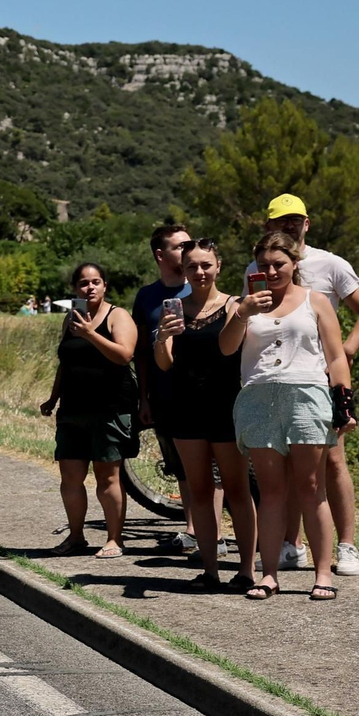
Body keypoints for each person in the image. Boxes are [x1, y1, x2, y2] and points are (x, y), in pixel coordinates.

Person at [245, 194, 359, 577]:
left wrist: (346, 351)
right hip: (273, 381)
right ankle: (292, 545)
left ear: (307, 223)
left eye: (295, 219)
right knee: (287, 468)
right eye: (280, 220)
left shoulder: (330, 263)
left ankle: (347, 546)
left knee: (333, 463)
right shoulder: (257, 267)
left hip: (320, 380)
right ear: (269, 227)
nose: (288, 225)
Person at [221, 231, 356, 600]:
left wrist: (344, 404)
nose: (270, 271)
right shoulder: (244, 305)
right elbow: (227, 348)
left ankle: (323, 574)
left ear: (295, 263)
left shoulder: (316, 301)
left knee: (311, 487)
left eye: (278, 264)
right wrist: (243, 313)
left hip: (307, 396)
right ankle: (269, 575)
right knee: (271, 491)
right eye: (263, 264)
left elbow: (335, 356)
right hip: (259, 398)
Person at [152, 241, 257, 590]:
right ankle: (210, 570)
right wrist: (161, 338)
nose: (199, 272)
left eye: (206, 265)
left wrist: (242, 315)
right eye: (192, 266)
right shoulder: (174, 309)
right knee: (198, 492)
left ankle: (246, 571)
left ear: (218, 267)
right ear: (183, 270)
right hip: (186, 409)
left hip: (225, 408)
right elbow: (164, 363)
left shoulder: (234, 306)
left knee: (237, 491)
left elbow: (230, 349)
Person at [39, 263, 138, 559]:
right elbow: (65, 362)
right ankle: (76, 537)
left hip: (109, 408)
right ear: (75, 289)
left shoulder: (117, 316)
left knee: (107, 476)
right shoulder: (71, 318)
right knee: (70, 476)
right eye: (83, 283)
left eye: (96, 282)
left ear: (105, 286)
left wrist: (90, 333)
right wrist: (53, 398)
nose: (90, 287)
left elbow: (124, 355)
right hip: (72, 408)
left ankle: (114, 539)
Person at [131, 224, 196, 553]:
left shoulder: (202, 287)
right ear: (160, 255)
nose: (188, 251)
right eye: (180, 246)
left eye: (190, 244)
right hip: (164, 391)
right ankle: (193, 530)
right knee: (181, 464)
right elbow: (141, 351)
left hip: (202, 390)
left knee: (215, 466)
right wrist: (144, 398)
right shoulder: (146, 297)